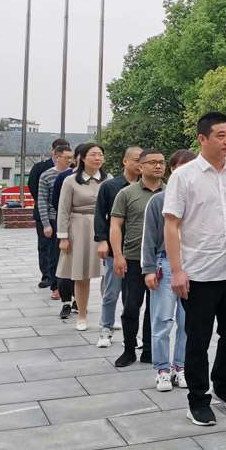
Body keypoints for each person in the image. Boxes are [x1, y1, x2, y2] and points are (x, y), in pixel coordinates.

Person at [164, 112, 226, 426]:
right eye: (220, 135)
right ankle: (198, 398)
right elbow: (171, 225)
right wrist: (177, 270)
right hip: (199, 274)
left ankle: (224, 384)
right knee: (198, 339)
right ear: (203, 139)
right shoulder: (185, 176)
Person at [142, 149, 196, 391]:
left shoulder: (200, 197)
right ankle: (162, 369)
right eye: (182, 166)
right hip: (163, 263)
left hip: (193, 264)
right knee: (162, 319)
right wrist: (149, 269)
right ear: (173, 170)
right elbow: (149, 238)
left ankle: (180, 367)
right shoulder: (158, 201)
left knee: (188, 321)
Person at [109, 149, 165, 368]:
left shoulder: (170, 193)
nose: (158, 166)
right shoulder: (126, 193)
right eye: (152, 162)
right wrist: (118, 256)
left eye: (161, 162)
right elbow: (115, 225)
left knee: (157, 308)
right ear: (140, 166)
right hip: (133, 258)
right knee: (131, 306)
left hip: (160, 259)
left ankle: (150, 350)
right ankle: (129, 349)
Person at [56, 142, 110, 333]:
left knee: (108, 274)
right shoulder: (70, 181)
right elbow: (63, 210)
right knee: (81, 275)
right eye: (93, 154)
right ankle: (81, 315)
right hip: (79, 227)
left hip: (104, 227)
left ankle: (108, 316)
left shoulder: (109, 179)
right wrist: (63, 237)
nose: (98, 158)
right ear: (82, 158)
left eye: (101, 154)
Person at [94, 146, 143, 349]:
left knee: (134, 296)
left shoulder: (150, 187)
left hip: (140, 250)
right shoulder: (110, 187)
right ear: (125, 161)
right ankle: (106, 329)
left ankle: (133, 334)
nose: (140, 164)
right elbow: (100, 215)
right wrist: (102, 240)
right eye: (137, 160)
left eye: (143, 161)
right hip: (116, 248)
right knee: (112, 291)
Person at [29, 140, 68, 289]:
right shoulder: (41, 168)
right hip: (44, 213)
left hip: (62, 215)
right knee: (44, 246)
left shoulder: (72, 170)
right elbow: (33, 188)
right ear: (53, 151)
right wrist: (44, 205)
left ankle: (59, 276)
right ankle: (46, 275)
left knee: (59, 247)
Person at [36, 142, 72, 301]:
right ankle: (55, 286)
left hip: (71, 219)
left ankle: (70, 287)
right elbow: (42, 201)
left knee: (69, 255)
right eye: (66, 158)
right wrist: (46, 224)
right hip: (53, 218)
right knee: (53, 255)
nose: (69, 161)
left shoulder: (74, 175)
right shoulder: (47, 175)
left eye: (71, 158)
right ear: (56, 157)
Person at [50, 161, 77, 318]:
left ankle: (79, 301)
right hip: (65, 224)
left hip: (87, 227)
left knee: (82, 269)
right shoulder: (65, 177)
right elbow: (57, 203)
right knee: (65, 265)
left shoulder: (100, 177)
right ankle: (66, 302)